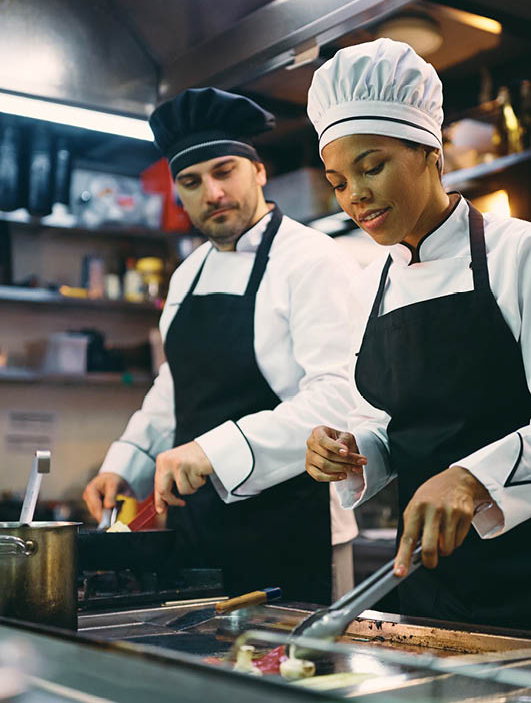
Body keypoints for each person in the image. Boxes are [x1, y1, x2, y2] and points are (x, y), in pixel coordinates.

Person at [83, 87, 358, 601]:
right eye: (191, 181)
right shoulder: (188, 275)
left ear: (258, 171)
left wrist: (212, 450)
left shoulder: (313, 260)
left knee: (296, 674)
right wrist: (127, 463)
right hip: (201, 529)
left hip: (296, 525)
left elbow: (338, 399)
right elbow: (176, 384)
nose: (211, 193)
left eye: (224, 171)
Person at [304, 38, 531, 629]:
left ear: (430, 150)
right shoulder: (369, 283)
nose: (355, 196)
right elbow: (394, 419)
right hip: (430, 583)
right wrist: (353, 450)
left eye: (370, 167)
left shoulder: (519, 255)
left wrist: (472, 476)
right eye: (337, 182)